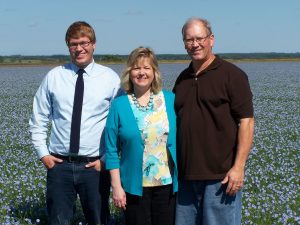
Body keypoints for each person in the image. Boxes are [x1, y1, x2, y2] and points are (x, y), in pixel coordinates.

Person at [29, 21, 120, 225]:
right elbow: (38, 118)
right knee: (58, 221)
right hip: (59, 166)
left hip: (95, 167)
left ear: (94, 44)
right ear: (68, 46)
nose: (79, 48)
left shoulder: (110, 79)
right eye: (73, 44)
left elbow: (118, 124)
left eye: (84, 43)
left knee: (99, 220)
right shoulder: (54, 77)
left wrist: (106, 159)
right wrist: (43, 154)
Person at [173, 17, 255, 225]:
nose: (195, 44)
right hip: (185, 178)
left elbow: (246, 121)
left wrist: (239, 167)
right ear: (184, 43)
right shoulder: (182, 79)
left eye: (199, 38)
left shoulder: (232, 75)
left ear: (211, 39)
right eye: (189, 39)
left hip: (221, 178)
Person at [105, 47, 178, 225]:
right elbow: (111, 149)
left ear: (154, 72)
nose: (141, 73)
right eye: (136, 68)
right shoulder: (119, 105)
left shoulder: (170, 100)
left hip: (167, 185)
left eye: (147, 68)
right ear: (129, 73)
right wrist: (116, 186)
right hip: (134, 187)